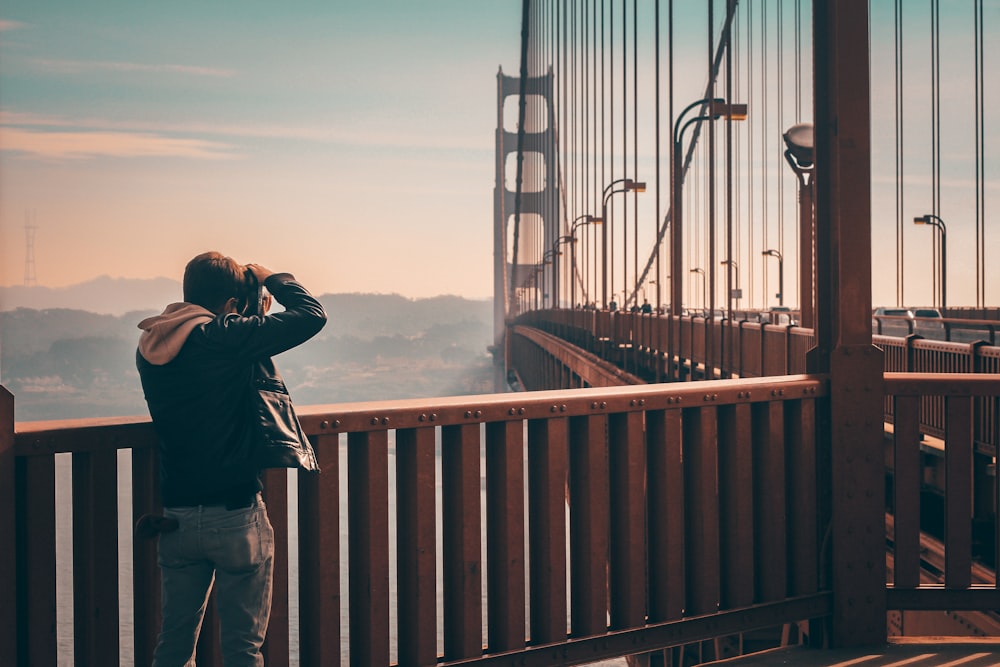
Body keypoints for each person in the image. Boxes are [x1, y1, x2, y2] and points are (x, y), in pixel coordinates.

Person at [136, 251, 327, 666]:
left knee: (172, 645)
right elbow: (311, 315)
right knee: (242, 650)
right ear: (229, 306)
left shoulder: (150, 344)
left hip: (177, 517)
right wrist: (271, 277)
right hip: (236, 516)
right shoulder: (222, 336)